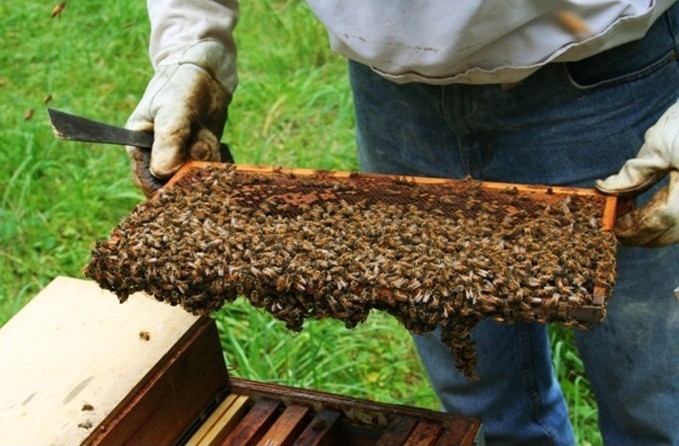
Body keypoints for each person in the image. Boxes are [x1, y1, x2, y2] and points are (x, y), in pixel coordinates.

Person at [126, 1, 679, 444]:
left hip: (607, 77)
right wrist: (190, 45)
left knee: (655, 397)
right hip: (393, 97)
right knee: (479, 401)